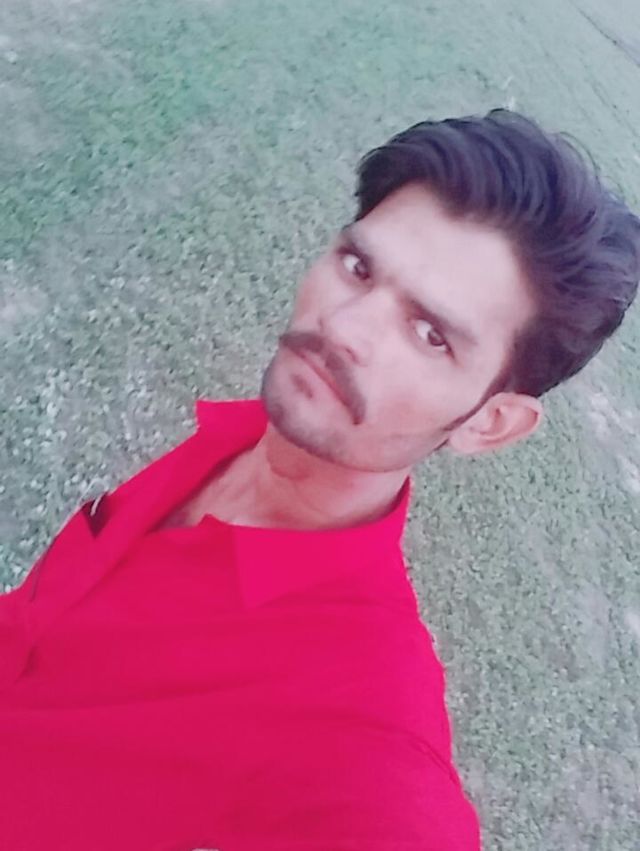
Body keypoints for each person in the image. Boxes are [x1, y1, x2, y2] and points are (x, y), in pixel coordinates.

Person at [1, 108, 639, 851]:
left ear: (489, 423)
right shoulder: (244, 438)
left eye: (430, 334)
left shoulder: (359, 723)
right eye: (358, 268)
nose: (345, 327)